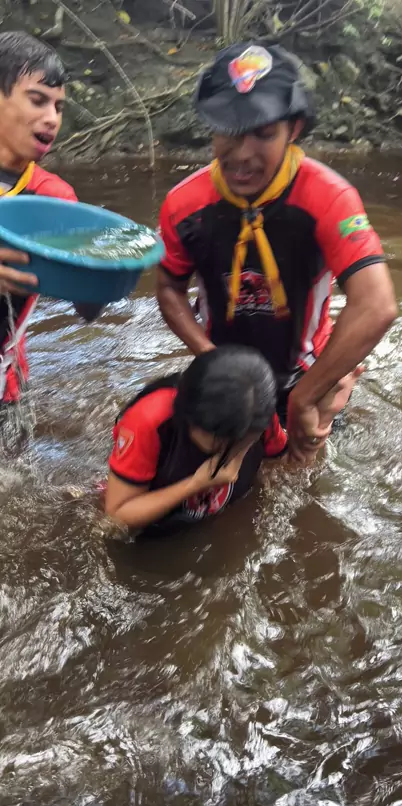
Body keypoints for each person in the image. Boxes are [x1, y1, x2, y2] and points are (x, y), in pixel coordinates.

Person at [156, 43, 398, 465]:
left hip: (306, 376)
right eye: (229, 131)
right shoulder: (184, 205)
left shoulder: (328, 198)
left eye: (264, 133)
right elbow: (169, 288)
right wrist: (209, 357)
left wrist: (309, 394)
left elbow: (377, 305)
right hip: (226, 378)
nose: (242, 153)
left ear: (294, 129)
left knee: (299, 482)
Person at [105, 345, 359, 534]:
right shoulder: (149, 421)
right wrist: (195, 484)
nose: (236, 452)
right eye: (222, 442)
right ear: (189, 418)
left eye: (246, 441)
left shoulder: (257, 412)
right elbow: (115, 516)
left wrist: (321, 421)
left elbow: (289, 473)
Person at [0, 31, 99, 407]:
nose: (52, 119)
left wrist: (99, 270)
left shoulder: (54, 199)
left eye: (58, 107)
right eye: (38, 100)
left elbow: (87, 310)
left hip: (5, 386)